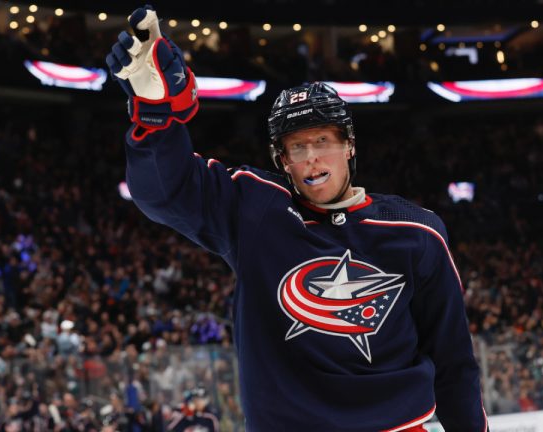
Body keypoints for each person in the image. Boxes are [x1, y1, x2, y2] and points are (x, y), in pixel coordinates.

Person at [106, 6, 489, 431]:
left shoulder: (415, 231)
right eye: (296, 147)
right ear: (282, 160)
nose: (311, 158)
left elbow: (454, 362)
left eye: (323, 141)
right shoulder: (254, 209)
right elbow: (165, 193)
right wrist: (156, 117)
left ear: (349, 147)